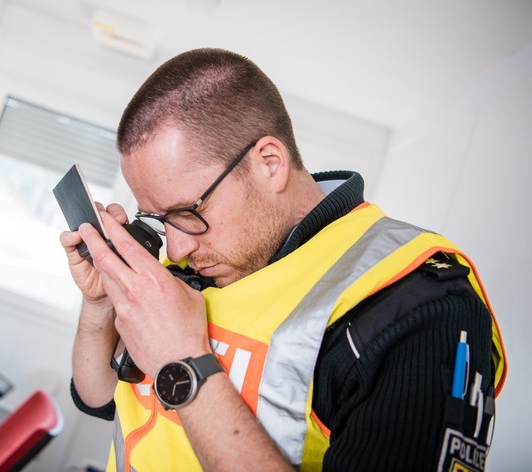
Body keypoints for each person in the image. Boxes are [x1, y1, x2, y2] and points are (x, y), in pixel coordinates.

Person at [60, 48, 507, 471]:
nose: (176, 250)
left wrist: (183, 361)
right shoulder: (198, 263)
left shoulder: (417, 306)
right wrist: (100, 305)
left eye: (189, 213)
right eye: (160, 220)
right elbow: (98, 398)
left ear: (269, 163)